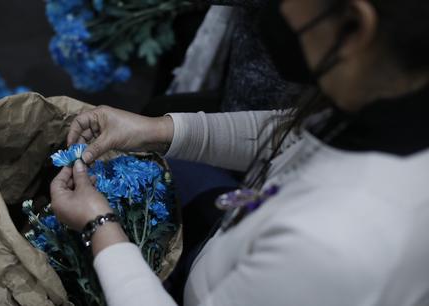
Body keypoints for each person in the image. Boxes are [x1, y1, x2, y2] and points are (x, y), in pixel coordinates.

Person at [49, 0, 429, 305]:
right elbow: (291, 135)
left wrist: (99, 225)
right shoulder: (388, 101)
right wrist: (155, 130)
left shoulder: (328, 247)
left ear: (355, 24)